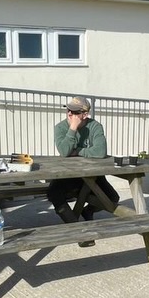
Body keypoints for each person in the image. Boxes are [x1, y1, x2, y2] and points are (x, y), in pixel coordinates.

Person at [46, 96, 119, 247]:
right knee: (53, 193)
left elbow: (100, 152)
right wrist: (72, 128)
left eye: (74, 111)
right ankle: (79, 231)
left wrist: (78, 151)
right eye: (68, 110)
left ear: (84, 114)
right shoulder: (60, 127)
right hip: (67, 176)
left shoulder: (95, 126)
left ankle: (87, 211)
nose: (69, 113)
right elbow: (64, 151)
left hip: (93, 175)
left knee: (113, 199)